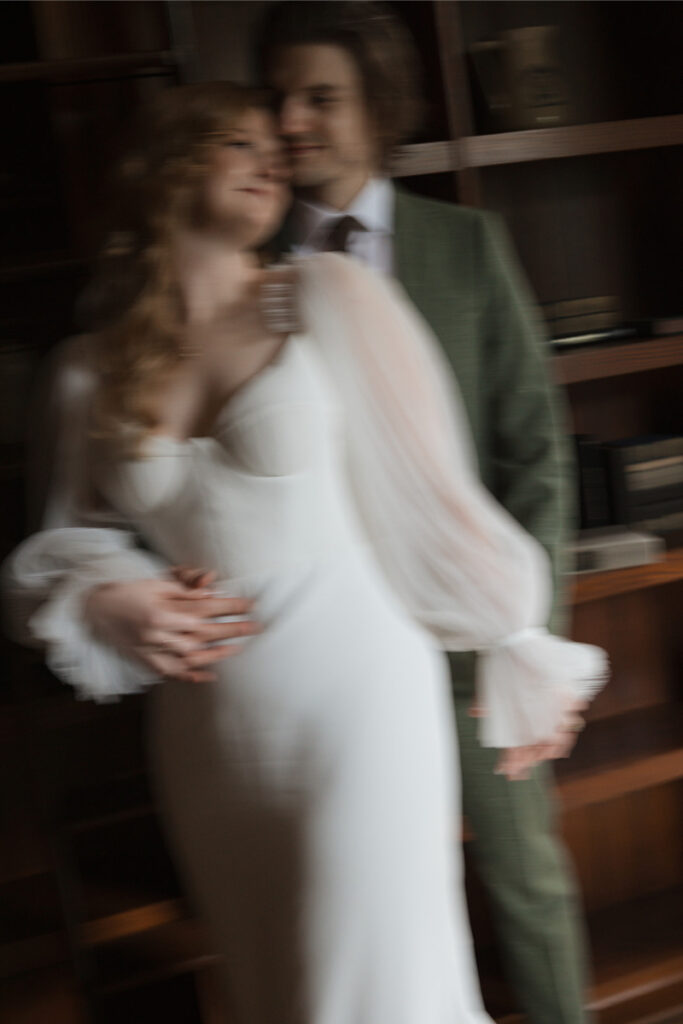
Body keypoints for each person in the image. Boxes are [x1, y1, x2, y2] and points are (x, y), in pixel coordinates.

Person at [3, 80, 606, 1024]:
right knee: (274, 988)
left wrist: (516, 637)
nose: (270, 161)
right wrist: (110, 601)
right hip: (214, 731)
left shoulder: (329, 295)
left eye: (272, 151)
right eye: (236, 142)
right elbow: (65, 542)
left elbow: (433, 488)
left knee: (367, 995)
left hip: (360, 702)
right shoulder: (84, 372)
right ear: (166, 166)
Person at [255, 3, 595, 1023]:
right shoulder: (243, 262)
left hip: (468, 654)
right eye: (277, 94)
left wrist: (527, 638)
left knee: (523, 883)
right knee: (359, 913)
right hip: (321, 656)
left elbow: (536, 451)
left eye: (319, 95)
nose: (289, 118)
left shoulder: (466, 245)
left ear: (379, 108)